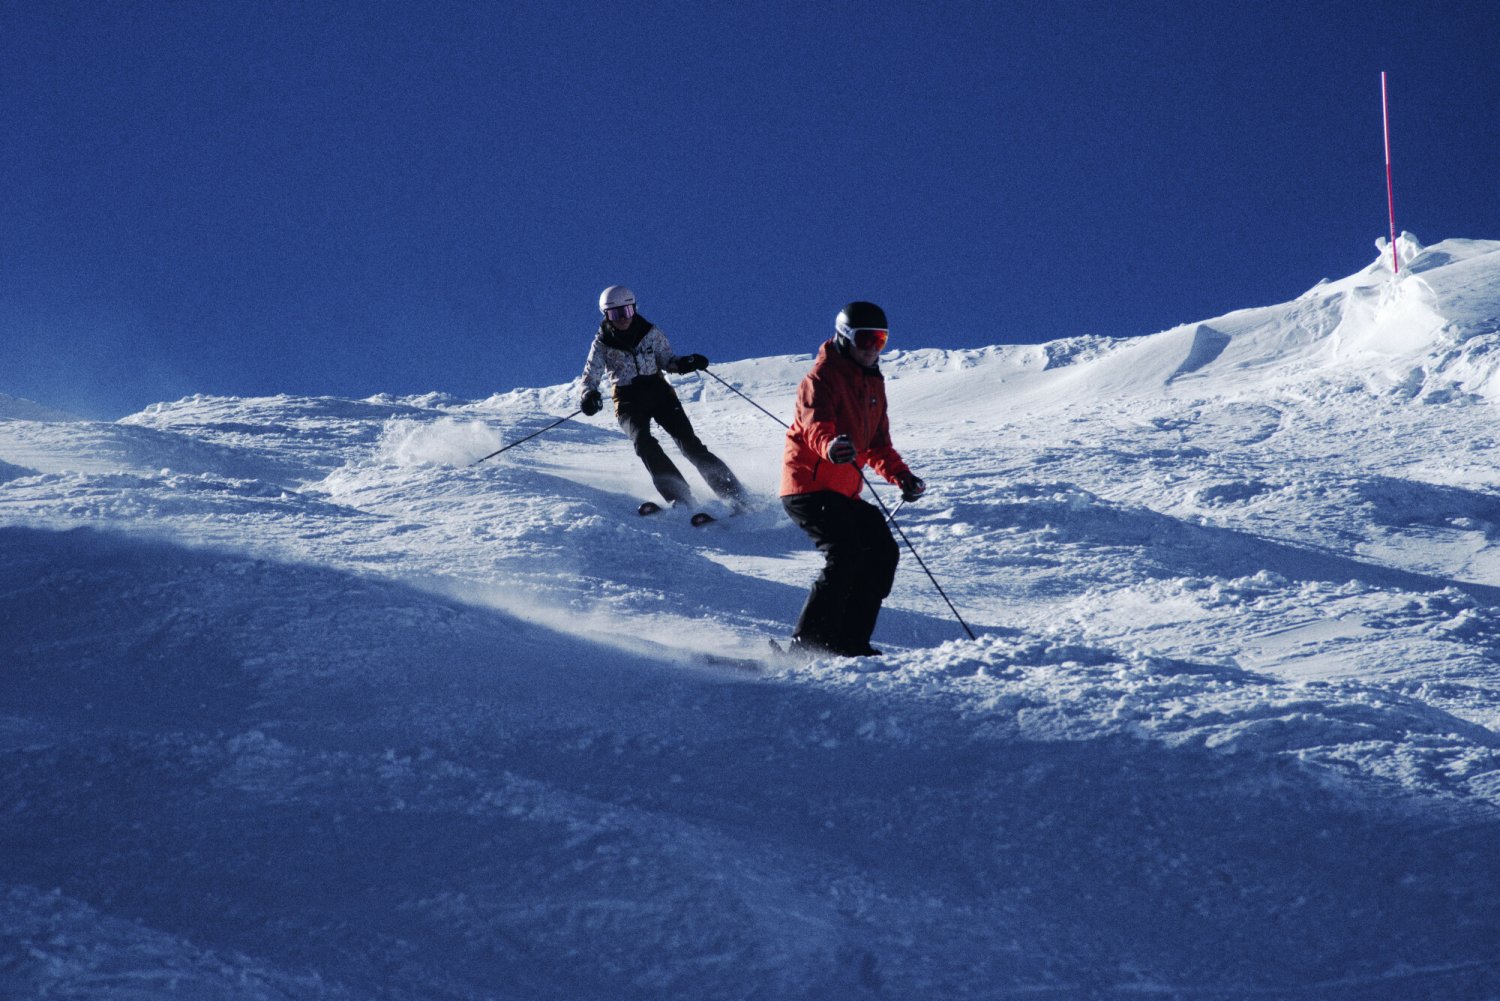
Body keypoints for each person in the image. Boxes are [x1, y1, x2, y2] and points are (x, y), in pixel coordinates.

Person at [779, 301, 926, 657]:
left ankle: (849, 642)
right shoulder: (821, 377)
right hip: (808, 488)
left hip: (844, 493)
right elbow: (816, 426)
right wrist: (831, 446)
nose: (872, 349)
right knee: (845, 555)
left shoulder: (874, 384)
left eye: (881, 341)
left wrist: (901, 476)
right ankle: (807, 644)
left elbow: (877, 445)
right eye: (866, 339)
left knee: (881, 552)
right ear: (845, 337)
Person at [578, 286, 748, 510]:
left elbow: (667, 359)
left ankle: (735, 495)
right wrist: (589, 395)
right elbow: (591, 376)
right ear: (606, 316)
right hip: (627, 399)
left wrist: (685, 363)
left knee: (690, 445)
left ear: (634, 309)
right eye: (615, 314)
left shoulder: (650, 333)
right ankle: (681, 497)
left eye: (626, 311)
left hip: (658, 392)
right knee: (643, 443)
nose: (622, 319)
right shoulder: (602, 344)